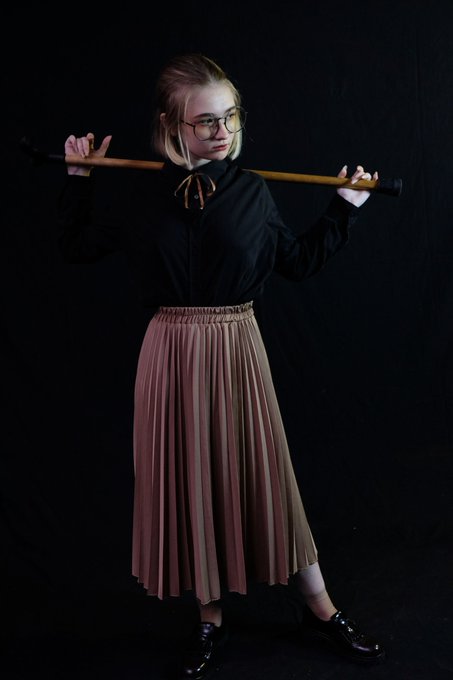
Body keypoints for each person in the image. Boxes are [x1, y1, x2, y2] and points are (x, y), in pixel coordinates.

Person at [57, 52, 386, 678]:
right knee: (190, 486)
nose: (223, 131)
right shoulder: (140, 193)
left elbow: (297, 263)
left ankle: (321, 609)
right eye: (206, 120)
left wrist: (343, 208)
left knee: (269, 481)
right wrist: (79, 179)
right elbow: (76, 247)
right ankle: (209, 617)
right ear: (170, 126)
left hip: (237, 349)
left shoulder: (251, 191)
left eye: (230, 116)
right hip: (170, 353)